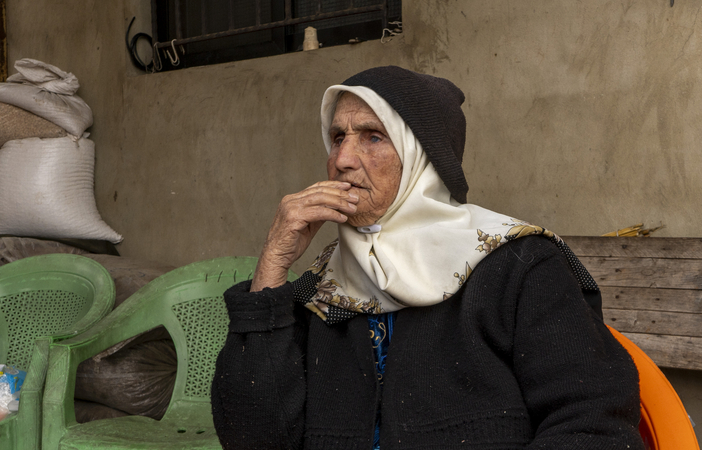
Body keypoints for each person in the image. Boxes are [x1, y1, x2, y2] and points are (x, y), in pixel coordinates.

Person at [211, 66, 645, 450]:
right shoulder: (322, 287)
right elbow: (254, 439)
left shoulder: (520, 266)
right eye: (338, 137)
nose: (342, 160)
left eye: (373, 137)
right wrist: (272, 264)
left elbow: (594, 427)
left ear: (422, 157)